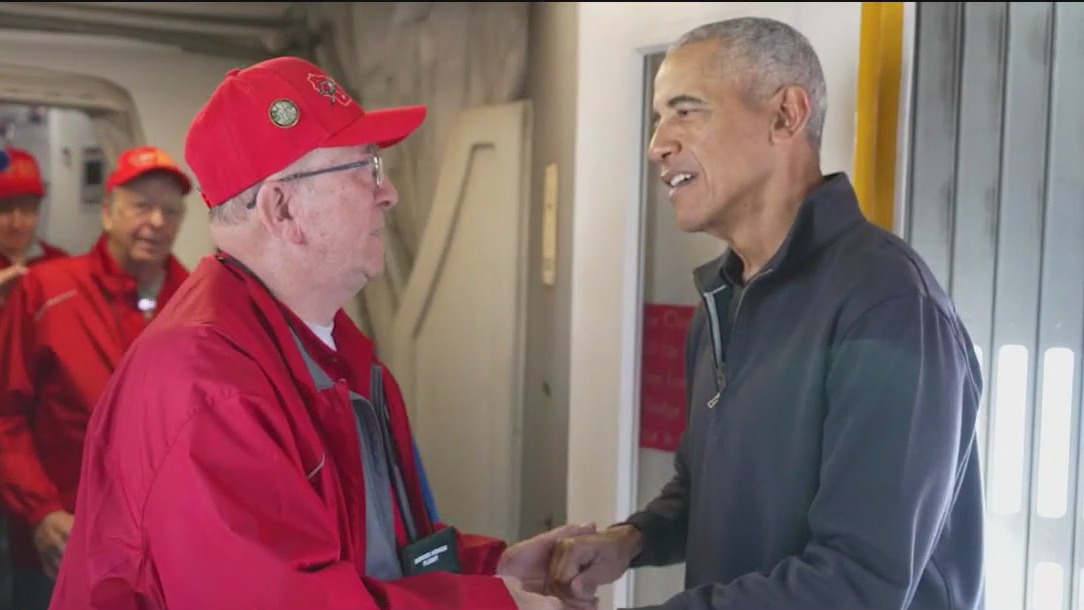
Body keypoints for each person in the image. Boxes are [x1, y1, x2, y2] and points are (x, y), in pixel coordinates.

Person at [48, 56, 593, 610]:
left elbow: (364, 551)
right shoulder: (208, 386)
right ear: (283, 207)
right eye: (366, 169)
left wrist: (492, 571)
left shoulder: (322, 349)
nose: (389, 194)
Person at [547, 17, 985, 610]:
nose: (658, 144)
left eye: (686, 110)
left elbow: (858, 585)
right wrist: (633, 539)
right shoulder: (723, 301)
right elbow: (711, 486)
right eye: (657, 119)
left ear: (786, 115)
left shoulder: (888, 307)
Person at [0, 144, 192, 610]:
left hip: (167, 554)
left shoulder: (196, 304)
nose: (157, 222)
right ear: (107, 214)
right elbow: (7, 415)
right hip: (60, 550)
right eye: (142, 206)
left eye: (170, 210)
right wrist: (40, 512)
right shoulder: (46, 289)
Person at [0, 147, 68, 309]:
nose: (16, 224)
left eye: (26, 208)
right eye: (4, 208)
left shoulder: (58, 262)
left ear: (37, 210)